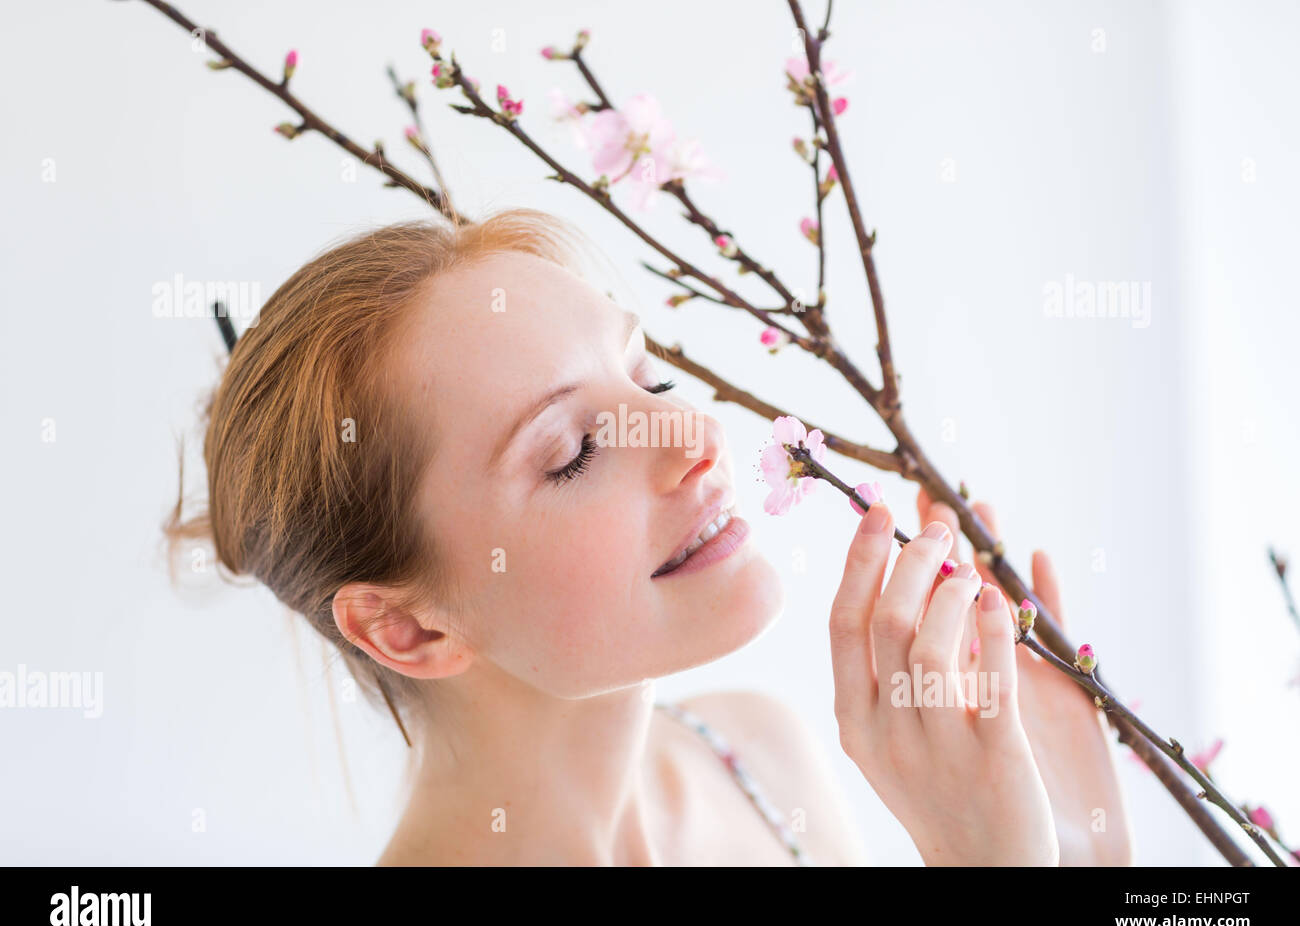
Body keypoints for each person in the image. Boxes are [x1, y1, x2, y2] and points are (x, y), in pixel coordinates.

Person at [164, 208, 1133, 866]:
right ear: (407, 628)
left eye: (649, 379)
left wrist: (1080, 820)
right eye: (577, 450)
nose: (694, 436)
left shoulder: (757, 754)